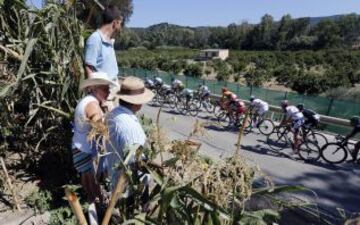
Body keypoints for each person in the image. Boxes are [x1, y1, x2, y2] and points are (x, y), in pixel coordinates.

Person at [72, 72, 118, 203]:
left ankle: (93, 203)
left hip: (79, 145)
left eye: (109, 88)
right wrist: (108, 114)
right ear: (94, 88)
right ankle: (97, 206)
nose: (108, 91)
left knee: (87, 181)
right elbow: (99, 126)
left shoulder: (88, 100)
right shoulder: (92, 105)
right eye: (105, 88)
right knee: (91, 184)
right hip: (83, 148)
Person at [106, 76, 155, 190]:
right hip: (129, 188)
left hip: (115, 180)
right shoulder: (130, 127)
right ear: (138, 102)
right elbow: (136, 161)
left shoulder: (113, 113)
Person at [84, 5, 122, 81]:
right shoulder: (95, 39)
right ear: (114, 23)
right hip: (102, 90)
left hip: (112, 87)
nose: (121, 26)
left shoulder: (109, 40)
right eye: (120, 23)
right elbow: (89, 69)